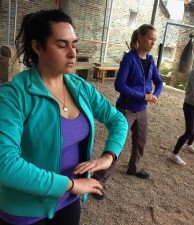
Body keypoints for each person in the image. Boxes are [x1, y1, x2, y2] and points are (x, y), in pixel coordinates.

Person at [0, 9, 128, 225]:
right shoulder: (13, 96)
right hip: (25, 210)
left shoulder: (79, 88)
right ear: (37, 47)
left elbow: (117, 120)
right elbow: (5, 164)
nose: (72, 53)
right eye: (62, 45)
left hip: (68, 202)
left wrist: (108, 157)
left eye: (73, 44)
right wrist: (70, 184)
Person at [114, 24, 163, 179]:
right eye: (150, 39)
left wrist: (155, 94)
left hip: (142, 108)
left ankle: (134, 168)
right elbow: (119, 85)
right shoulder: (129, 58)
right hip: (126, 108)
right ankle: (100, 179)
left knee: (140, 140)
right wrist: (143, 95)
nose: (153, 43)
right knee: (117, 143)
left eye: (154, 40)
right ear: (141, 37)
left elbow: (159, 82)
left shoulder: (150, 60)